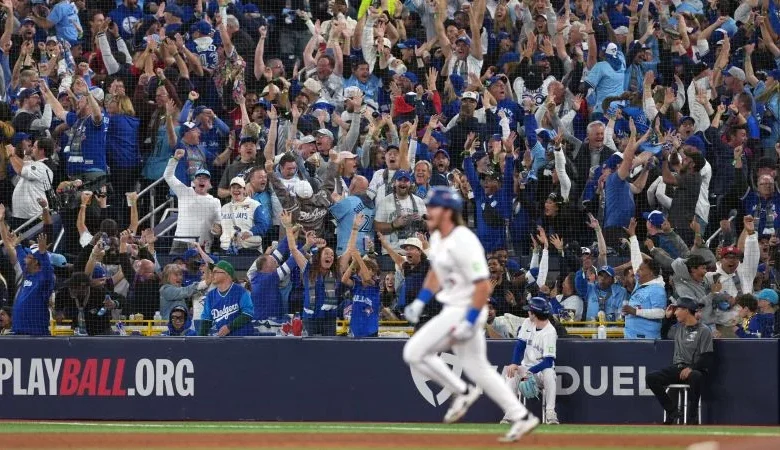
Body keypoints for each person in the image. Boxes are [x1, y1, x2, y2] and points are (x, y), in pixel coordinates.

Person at [402, 187, 539, 443]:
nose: (428, 211)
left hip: (465, 309)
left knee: (414, 352)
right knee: (479, 369)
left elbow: (483, 285)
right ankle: (521, 415)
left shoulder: (464, 240)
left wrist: (469, 319)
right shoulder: (440, 239)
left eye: (432, 207)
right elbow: (435, 274)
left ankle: (461, 391)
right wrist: (420, 302)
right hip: (454, 308)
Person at [647, 297, 713, 425]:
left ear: (686, 311)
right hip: (678, 368)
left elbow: (707, 357)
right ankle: (673, 412)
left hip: (695, 369)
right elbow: (664, 333)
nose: (675, 312)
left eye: (677, 309)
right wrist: (667, 318)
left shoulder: (704, 330)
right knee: (651, 378)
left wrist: (691, 368)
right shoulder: (678, 328)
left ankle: (692, 419)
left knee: (696, 376)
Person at [502, 297, 559, 425]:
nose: (528, 313)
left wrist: (530, 372)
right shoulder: (528, 322)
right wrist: (514, 363)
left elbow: (548, 361)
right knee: (510, 371)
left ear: (536, 314)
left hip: (539, 372)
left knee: (549, 373)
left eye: (530, 311)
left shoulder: (550, 332)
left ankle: (550, 412)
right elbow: (520, 346)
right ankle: (510, 413)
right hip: (525, 367)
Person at [165, 148, 221, 253]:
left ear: (210, 184)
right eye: (199, 177)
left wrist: (217, 231)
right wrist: (175, 159)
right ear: (193, 182)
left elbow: (218, 225)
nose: (201, 180)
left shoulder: (215, 201)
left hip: (202, 245)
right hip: (180, 242)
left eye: (205, 178)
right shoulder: (184, 192)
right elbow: (168, 176)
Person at [622, 218, 667, 339]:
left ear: (651, 273)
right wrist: (632, 236)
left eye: (642, 270)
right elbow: (636, 259)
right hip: (632, 336)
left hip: (646, 339)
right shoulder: (641, 284)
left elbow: (661, 313)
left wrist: (635, 311)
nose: (637, 271)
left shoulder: (657, 289)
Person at [340, 213, 381, 337]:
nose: (363, 271)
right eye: (362, 269)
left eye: (368, 269)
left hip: (370, 331)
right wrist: (353, 263)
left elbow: (368, 278)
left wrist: (358, 258)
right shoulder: (356, 284)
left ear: (373, 272)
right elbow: (344, 279)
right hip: (355, 330)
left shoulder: (375, 284)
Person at [8, 233, 55, 335]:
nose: (26, 256)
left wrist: (43, 254)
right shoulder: (28, 273)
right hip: (18, 331)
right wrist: (17, 246)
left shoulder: (44, 279)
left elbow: (48, 271)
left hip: (36, 334)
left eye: (29, 255)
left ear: (36, 262)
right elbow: (21, 258)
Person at [198, 260, 254, 336]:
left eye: (216, 272)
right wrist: (200, 340)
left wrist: (229, 327)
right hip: (223, 341)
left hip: (242, 338)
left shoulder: (241, 291)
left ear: (227, 274)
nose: (212, 274)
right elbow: (206, 320)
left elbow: (248, 314)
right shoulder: (210, 295)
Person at [58, 272, 118, 336]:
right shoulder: (66, 293)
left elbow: (121, 299)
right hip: (78, 332)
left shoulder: (99, 293)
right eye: (71, 287)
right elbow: (59, 299)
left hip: (101, 332)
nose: (71, 289)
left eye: (74, 287)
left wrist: (114, 303)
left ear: (83, 288)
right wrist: (59, 311)